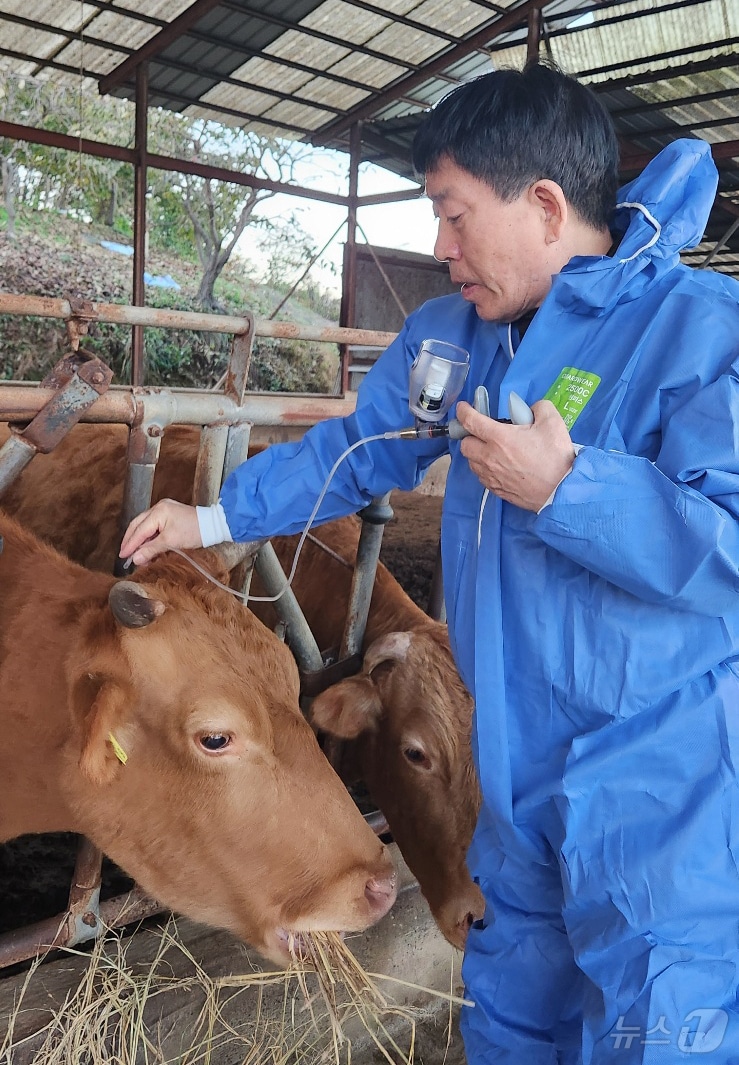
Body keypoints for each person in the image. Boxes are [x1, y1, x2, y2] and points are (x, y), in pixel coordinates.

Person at [120, 61, 739, 1063]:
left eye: (454, 216)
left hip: (665, 793)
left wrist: (567, 492)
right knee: (509, 1012)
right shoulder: (456, 338)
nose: (438, 248)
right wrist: (216, 513)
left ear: (542, 205)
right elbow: (355, 452)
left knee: (667, 1030)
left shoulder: (701, 333)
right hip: (509, 774)